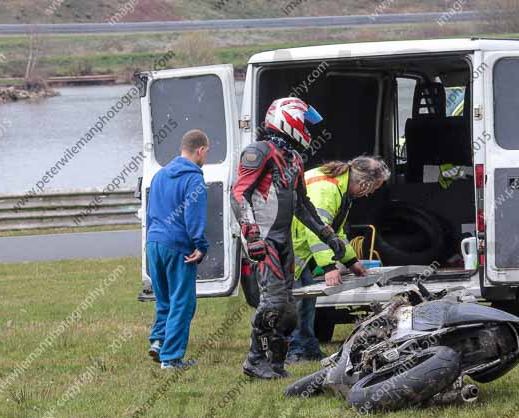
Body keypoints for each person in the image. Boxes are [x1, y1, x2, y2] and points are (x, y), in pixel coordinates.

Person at [231, 97, 346, 380]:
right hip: (264, 240)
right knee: (272, 304)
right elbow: (238, 194)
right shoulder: (258, 152)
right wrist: (251, 234)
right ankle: (254, 361)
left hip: (284, 243)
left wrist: (328, 235)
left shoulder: (293, 158)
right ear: (289, 120)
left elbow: (302, 204)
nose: (308, 130)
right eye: (305, 124)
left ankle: (275, 363)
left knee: (289, 310)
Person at [287, 157, 391, 364]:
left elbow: (335, 233)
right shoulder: (327, 190)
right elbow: (316, 230)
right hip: (290, 248)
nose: (370, 194)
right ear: (364, 183)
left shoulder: (339, 190)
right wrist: (329, 267)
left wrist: (352, 261)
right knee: (294, 302)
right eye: (374, 188)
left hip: (299, 248)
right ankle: (293, 351)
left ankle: (307, 347)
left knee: (307, 301)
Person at [146, 129, 210, 369]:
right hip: (177, 246)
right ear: (201, 150)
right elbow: (193, 216)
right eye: (206, 152)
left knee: (164, 299)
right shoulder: (194, 178)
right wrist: (200, 246)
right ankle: (171, 359)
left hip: (154, 242)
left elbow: (152, 213)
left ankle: (159, 341)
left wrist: (151, 242)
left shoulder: (160, 175)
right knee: (182, 302)